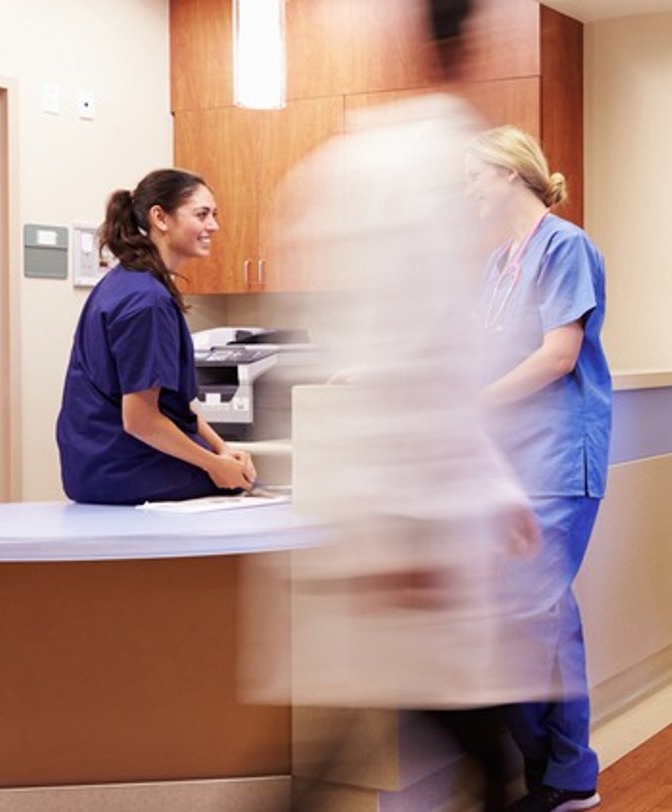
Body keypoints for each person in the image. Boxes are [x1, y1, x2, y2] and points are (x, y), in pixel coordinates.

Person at [246, 3, 554, 810]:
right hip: (403, 517)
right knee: (472, 753)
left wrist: (490, 488)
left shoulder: (344, 160)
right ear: (474, 44)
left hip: (377, 506)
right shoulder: (429, 172)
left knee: (375, 734)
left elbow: (394, 359)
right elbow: (422, 361)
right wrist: (412, 531)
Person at [466, 125, 611, 812]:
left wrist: (475, 403)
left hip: (556, 457)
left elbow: (559, 354)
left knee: (531, 615)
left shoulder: (565, 245)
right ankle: (556, 770)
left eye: (474, 175)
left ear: (508, 174)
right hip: (509, 461)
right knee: (529, 615)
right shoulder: (499, 262)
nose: (466, 188)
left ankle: (566, 776)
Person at [55, 169, 254, 504]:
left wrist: (222, 449)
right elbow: (141, 421)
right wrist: (215, 466)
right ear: (160, 217)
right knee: (244, 488)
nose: (213, 227)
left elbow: (172, 406)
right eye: (202, 215)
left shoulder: (127, 282)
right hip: (122, 468)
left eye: (214, 215)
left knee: (236, 475)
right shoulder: (147, 301)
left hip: (96, 464)